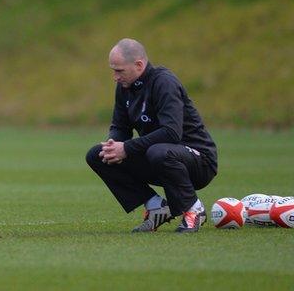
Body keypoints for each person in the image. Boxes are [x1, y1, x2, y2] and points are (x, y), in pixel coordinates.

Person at [85, 38, 218, 233]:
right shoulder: (125, 88)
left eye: (119, 70)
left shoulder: (164, 82)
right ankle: (156, 207)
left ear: (139, 65)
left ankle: (193, 209)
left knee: (159, 151)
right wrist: (113, 143)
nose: (115, 76)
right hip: (158, 157)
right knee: (98, 155)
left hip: (198, 161)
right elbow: (120, 126)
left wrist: (127, 148)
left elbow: (172, 133)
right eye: (113, 70)